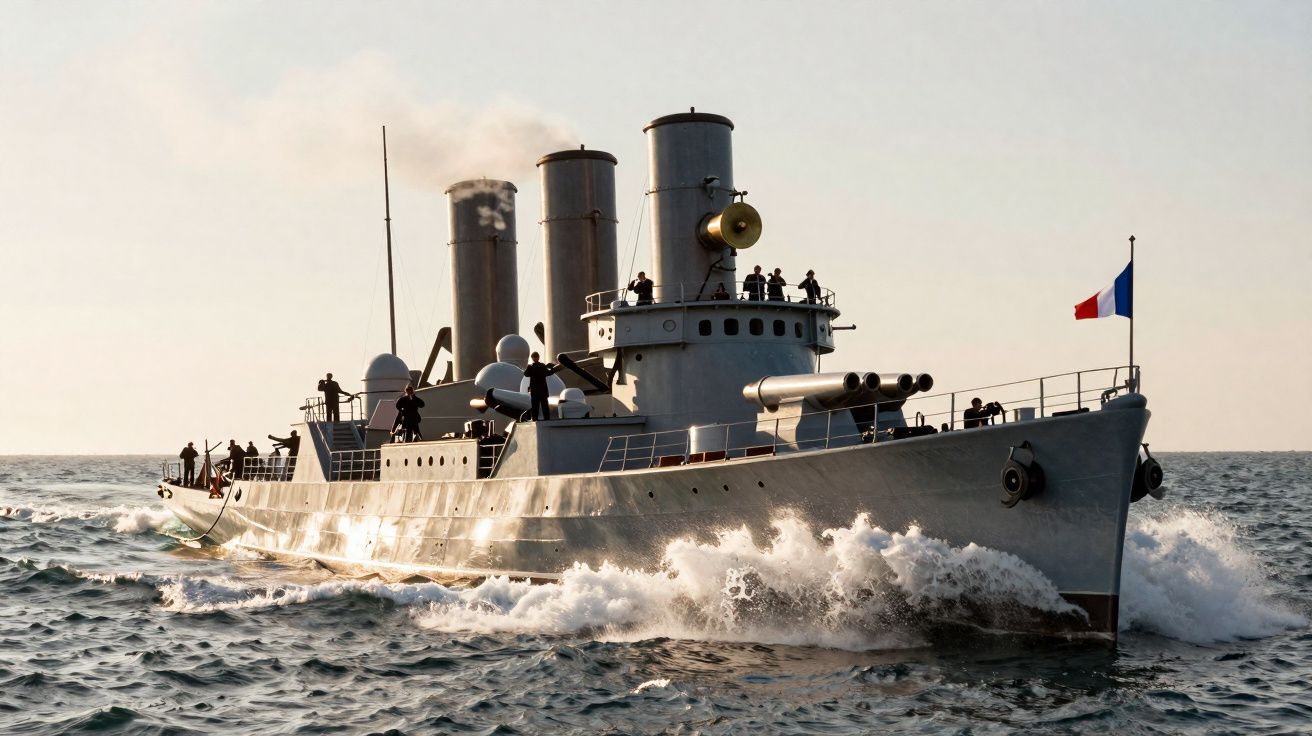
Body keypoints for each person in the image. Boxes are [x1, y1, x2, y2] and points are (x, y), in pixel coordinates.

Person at [522, 352, 561, 421]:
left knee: (536, 407)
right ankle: (546, 419)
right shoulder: (541, 366)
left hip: (535, 391)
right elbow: (549, 373)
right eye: (535, 357)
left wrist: (528, 368)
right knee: (543, 406)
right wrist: (555, 368)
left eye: (535, 357)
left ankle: (535, 420)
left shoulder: (532, 367)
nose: (535, 358)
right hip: (542, 390)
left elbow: (526, 374)